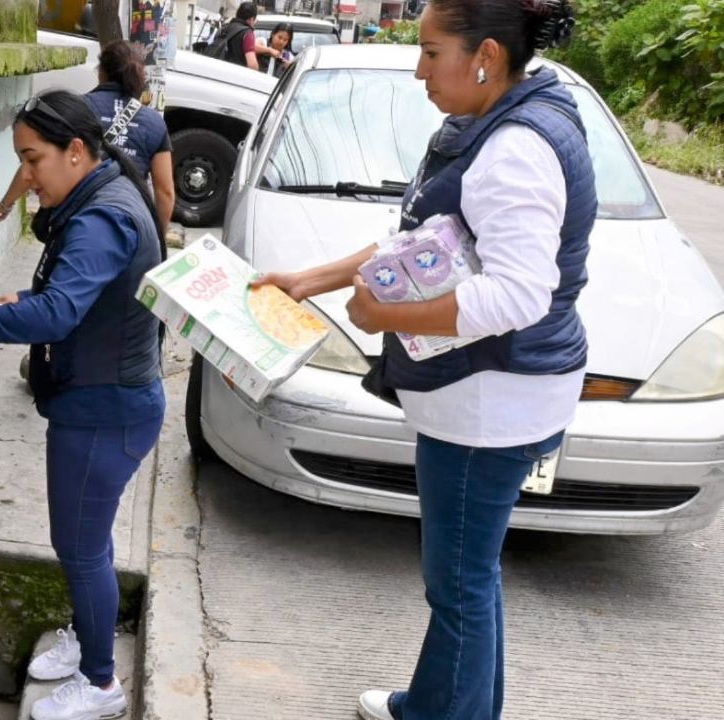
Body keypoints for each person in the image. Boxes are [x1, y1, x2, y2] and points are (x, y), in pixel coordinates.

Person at [254, 0, 591, 718]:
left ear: (487, 56)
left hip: (488, 404)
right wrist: (310, 280)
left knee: (460, 585)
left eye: (432, 52)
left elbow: (519, 295)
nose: (419, 70)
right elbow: (424, 246)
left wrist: (387, 316)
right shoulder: (509, 115)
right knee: (471, 577)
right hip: (501, 392)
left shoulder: (514, 148)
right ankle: (433, 703)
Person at [0, 91, 166, 720]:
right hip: (98, 398)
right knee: (84, 543)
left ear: (76, 152)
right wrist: (7, 303)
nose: (25, 177)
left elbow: (57, 313)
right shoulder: (100, 196)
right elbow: (73, 297)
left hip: (105, 410)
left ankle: (102, 684)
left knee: (80, 547)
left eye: (32, 160)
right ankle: (87, 640)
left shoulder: (102, 218)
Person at [0, 40, 175, 235]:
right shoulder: (154, 122)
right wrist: (158, 240)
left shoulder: (75, 111)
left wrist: (5, 204)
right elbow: (165, 191)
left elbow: (36, 163)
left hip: (79, 219)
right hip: (130, 224)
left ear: (101, 72)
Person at [207, 2, 261, 70]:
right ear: (251, 18)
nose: (255, 22)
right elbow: (252, 65)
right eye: (255, 19)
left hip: (216, 71)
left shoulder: (222, 28)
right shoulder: (247, 33)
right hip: (235, 76)